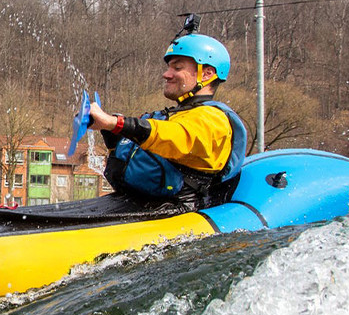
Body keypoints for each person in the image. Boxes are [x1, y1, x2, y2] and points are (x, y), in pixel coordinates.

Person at [88, 31, 248, 209]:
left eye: (177, 68)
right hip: (140, 203)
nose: (166, 74)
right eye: (169, 67)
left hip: (179, 210)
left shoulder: (214, 119)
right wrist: (111, 132)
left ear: (207, 74)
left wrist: (115, 123)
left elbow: (175, 138)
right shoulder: (177, 115)